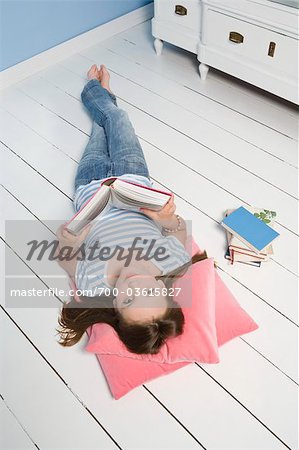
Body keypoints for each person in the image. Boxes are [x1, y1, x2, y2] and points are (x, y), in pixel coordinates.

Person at [56, 64, 207, 354]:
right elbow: (175, 228)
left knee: (99, 130)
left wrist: (70, 239)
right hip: (132, 174)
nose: (134, 286)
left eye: (127, 300)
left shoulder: (95, 284)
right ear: (164, 291)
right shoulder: (170, 262)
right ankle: (97, 89)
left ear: (115, 307)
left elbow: (67, 259)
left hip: (90, 183)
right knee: (118, 119)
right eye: (148, 292)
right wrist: (167, 217)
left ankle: (102, 92)